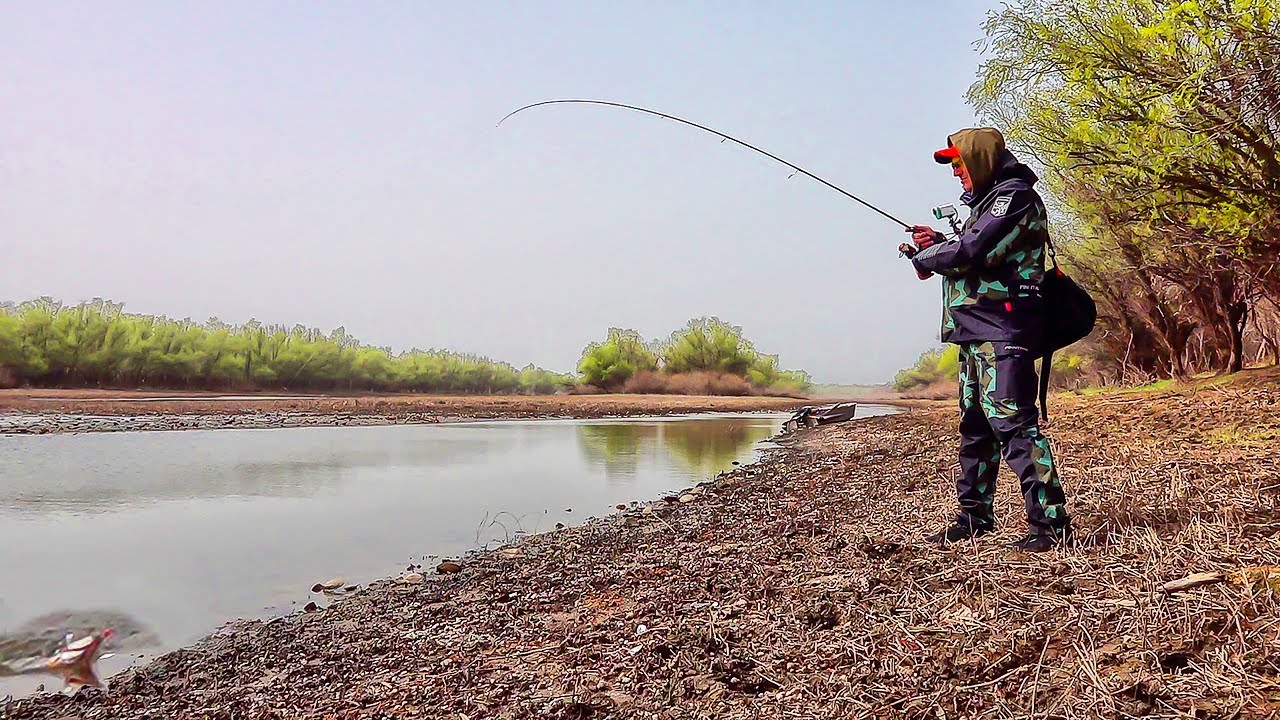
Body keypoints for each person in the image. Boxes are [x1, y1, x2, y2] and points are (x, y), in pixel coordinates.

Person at [903, 127, 1072, 552]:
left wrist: (928, 255)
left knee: (1015, 426)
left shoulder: (1012, 197)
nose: (957, 172)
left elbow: (970, 254)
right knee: (976, 428)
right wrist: (939, 244)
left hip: (1003, 332)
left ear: (981, 160)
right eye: (953, 165)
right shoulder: (987, 204)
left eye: (960, 163)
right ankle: (974, 518)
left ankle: (1051, 524)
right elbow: (976, 252)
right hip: (976, 332)